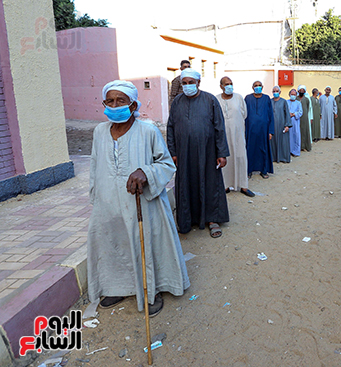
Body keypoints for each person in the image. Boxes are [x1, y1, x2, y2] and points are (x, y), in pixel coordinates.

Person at [88, 80, 190, 317]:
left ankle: (150, 290)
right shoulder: (99, 132)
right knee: (114, 244)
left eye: (120, 101)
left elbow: (165, 164)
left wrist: (145, 172)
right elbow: (94, 165)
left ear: (133, 105)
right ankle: (118, 286)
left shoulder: (148, 130)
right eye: (110, 101)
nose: (114, 105)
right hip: (109, 203)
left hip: (142, 204)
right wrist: (96, 198)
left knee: (143, 244)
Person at [167, 68, 230, 238]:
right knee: (186, 184)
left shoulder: (210, 100)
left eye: (191, 83)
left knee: (210, 183)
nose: (187, 86)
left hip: (208, 152)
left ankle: (212, 219)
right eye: (184, 83)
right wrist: (172, 152)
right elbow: (171, 127)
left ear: (198, 83)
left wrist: (221, 152)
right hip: (183, 153)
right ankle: (187, 220)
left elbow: (219, 127)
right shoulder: (177, 102)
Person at [215, 77, 254, 197]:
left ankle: (243, 186)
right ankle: (225, 186)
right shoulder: (216, 99)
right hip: (223, 135)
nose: (229, 86)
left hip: (238, 135)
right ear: (221, 86)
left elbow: (244, 114)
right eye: (226, 84)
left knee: (241, 157)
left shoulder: (238, 98)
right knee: (225, 158)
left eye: (231, 84)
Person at [245, 81, 274, 178]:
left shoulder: (266, 99)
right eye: (256, 86)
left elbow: (271, 115)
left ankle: (264, 170)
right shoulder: (248, 98)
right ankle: (249, 171)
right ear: (252, 87)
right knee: (250, 149)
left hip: (263, 130)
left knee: (263, 150)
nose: (258, 87)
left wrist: (271, 131)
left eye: (259, 86)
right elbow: (244, 114)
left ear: (262, 87)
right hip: (250, 130)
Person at [271, 85, 293, 163]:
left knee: (283, 142)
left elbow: (287, 113)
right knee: (273, 142)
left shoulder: (284, 102)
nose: (275, 92)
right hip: (272, 125)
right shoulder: (270, 101)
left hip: (282, 124)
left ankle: (283, 158)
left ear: (280, 92)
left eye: (277, 91)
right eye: (274, 91)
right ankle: (274, 158)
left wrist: (287, 125)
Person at [287, 88, 303, 156]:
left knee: (296, 136)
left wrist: (293, 114)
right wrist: (288, 114)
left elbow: (300, 112)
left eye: (294, 94)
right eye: (291, 94)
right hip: (287, 122)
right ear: (289, 94)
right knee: (288, 137)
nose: (293, 95)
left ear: (296, 95)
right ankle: (288, 151)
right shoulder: (286, 102)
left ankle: (295, 152)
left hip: (295, 122)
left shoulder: (298, 103)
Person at [297, 85, 313, 152]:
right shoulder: (296, 98)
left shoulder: (306, 99)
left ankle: (304, 146)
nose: (302, 91)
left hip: (304, 118)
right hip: (296, 117)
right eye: (300, 90)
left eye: (303, 90)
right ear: (298, 91)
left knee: (304, 131)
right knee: (297, 131)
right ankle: (297, 146)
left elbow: (308, 108)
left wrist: (310, 118)